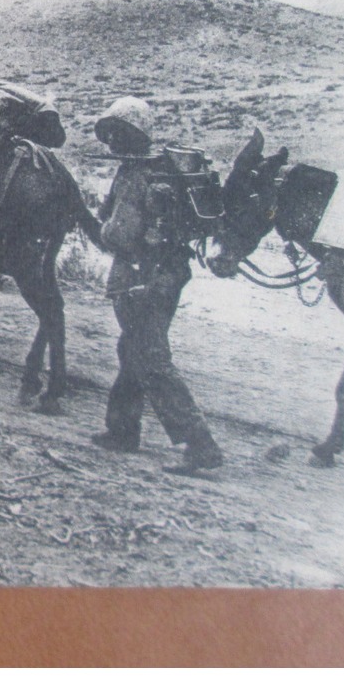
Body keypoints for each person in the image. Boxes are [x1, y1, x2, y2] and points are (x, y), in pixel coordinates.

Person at [90, 96, 224, 474]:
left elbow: (119, 233)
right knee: (132, 348)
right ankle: (122, 429)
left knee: (151, 357)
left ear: (130, 133)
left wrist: (99, 227)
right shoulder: (162, 169)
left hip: (140, 280)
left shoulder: (137, 176)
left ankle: (201, 446)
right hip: (167, 275)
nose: (111, 140)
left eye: (116, 132)